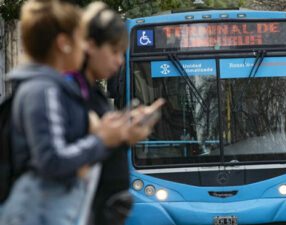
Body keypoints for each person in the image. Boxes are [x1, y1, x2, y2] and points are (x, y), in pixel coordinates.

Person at [0, 0, 139, 224]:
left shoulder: (46, 87)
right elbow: (52, 159)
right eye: (80, 39)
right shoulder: (44, 89)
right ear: (64, 43)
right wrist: (102, 140)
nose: (83, 48)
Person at [68, 2, 164, 225]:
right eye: (114, 52)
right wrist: (111, 138)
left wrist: (125, 133)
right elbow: (61, 159)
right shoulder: (69, 92)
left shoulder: (93, 92)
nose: (120, 61)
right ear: (90, 46)